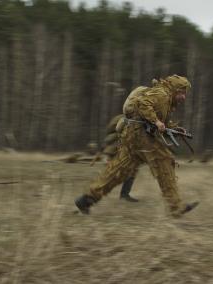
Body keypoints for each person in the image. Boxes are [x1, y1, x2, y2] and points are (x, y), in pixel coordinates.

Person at [75, 75, 199, 218]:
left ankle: (86, 199)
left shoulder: (165, 98)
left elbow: (160, 121)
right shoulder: (162, 94)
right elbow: (143, 104)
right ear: (175, 89)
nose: (183, 97)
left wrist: (175, 130)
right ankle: (175, 207)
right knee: (165, 161)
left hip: (132, 136)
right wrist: (156, 122)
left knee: (119, 170)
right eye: (181, 92)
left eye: (185, 93)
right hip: (141, 136)